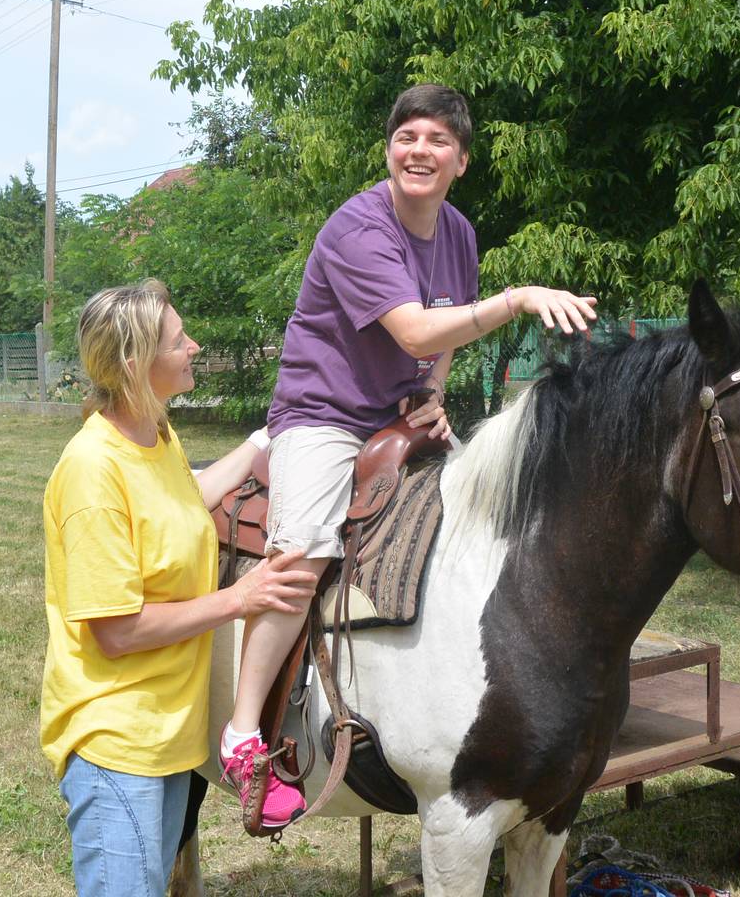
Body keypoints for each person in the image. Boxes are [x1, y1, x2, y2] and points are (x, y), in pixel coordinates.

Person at [218, 84, 601, 827]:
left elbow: (442, 336)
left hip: (397, 413)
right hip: (325, 415)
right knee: (303, 553)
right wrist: (518, 298)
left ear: (461, 160)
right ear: (390, 149)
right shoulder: (359, 227)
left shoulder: (457, 231)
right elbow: (418, 328)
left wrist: (430, 395)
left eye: (437, 140)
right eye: (407, 137)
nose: (419, 151)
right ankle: (242, 734)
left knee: (495, 520)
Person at [40, 280, 320, 897]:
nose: (193, 346)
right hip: (119, 742)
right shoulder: (92, 471)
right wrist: (240, 599)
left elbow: (187, 501)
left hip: (169, 736)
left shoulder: (155, 436)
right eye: (177, 340)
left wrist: (264, 437)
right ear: (135, 363)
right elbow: (116, 631)